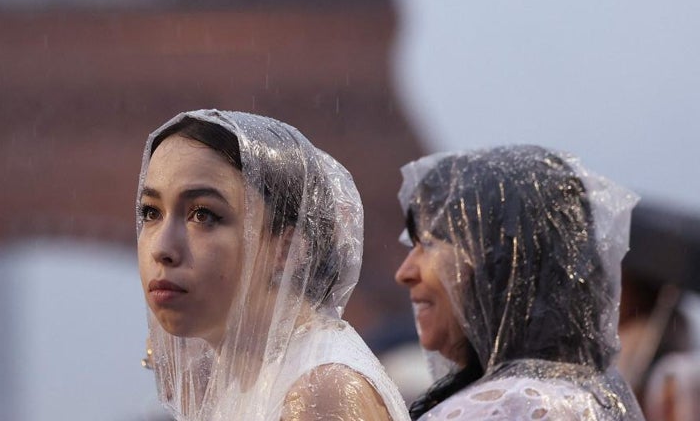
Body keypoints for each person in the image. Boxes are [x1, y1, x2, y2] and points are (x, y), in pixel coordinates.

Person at [137, 109, 409, 421]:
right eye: (150, 212)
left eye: (203, 215)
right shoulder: (250, 380)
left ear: (287, 248)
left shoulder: (319, 395)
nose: (162, 249)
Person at [394, 145, 645, 420]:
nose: (404, 272)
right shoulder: (593, 392)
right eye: (412, 245)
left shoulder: (502, 408)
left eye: (428, 244)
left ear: (501, 262)